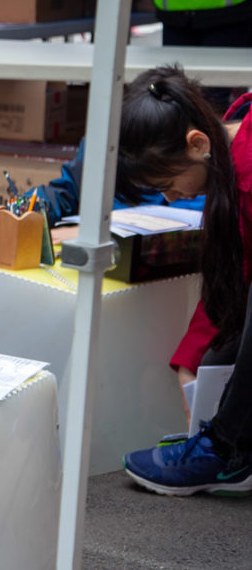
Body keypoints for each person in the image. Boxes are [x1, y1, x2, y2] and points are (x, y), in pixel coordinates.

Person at [117, 66, 252, 496]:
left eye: (170, 185)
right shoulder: (233, 159)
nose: (172, 198)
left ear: (197, 144)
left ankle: (229, 451)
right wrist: (190, 357)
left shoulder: (245, 175)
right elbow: (234, 276)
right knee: (214, 361)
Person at [31, 136, 205, 229]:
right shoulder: (104, 138)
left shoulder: (193, 171)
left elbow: (189, 226)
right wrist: (36, 209)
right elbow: (68, 190)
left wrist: (100, 236)